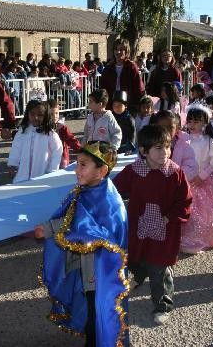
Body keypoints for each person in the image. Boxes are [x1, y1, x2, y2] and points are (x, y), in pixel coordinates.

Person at [36, 141, 130, 346]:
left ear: (102, 170)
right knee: (89, 308)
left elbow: (88, 227)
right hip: (86, 267)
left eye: (83, 165)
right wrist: (49, 227)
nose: (76, 170)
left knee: (98, 313)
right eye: (77, 163)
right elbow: (72, 215)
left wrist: (50, 229)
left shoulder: (108, 200)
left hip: (99, 272)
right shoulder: (86, 189)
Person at [113, 125, 192, 325]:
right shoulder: (134, 171)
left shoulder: (175, 173)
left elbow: (185, 201)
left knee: (160, 267)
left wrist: (168, 218)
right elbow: (113, 191)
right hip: (138, 228)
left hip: (165, 231)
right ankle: (139, 276)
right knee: (135, 257)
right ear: (144, 151)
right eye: (158, 148)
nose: (165, 152)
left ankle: (162, 305)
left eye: (167, 146)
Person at [180, 104, 213, 254]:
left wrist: (202, 176)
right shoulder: (183, 139)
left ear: (205, 123)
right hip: (187, 180)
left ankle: (204, 238)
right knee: (190, 211)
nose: (192, 125)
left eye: (196, 122)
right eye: (190, 121)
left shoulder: (209, 142)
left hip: (205, 182)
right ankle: (189, 239)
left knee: (207, 211)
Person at [7, 99, 62, 183]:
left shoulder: (50, 134)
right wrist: (13, 164)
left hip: (42, 173)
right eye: (32, 114)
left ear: (45, 116)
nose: (36, 117)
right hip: (22, 174)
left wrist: (52, 171)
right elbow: (16, 148)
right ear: (27, 114)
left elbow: (57, 152)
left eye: (40, 115)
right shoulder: (22, 132)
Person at [150, 110, 199, 181]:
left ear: (177, 129)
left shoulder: (184, 146)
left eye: (170, 127)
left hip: (176, 184)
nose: (165, 130)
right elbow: (142, 162)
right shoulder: (150, 144)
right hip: (155, 183)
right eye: (161, 127)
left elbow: (191, 167)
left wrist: (175, 175)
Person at [100, 38, 145, 114]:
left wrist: (138, 104)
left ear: (126, 51)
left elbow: (138, 87)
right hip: (111, 105)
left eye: (121, 49)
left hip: (128, 106)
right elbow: (103, 88)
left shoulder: (131, 66)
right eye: (116, 49)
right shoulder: (108, 68)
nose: (118, 52)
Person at [48, 99, 81, 169]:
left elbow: (71, 139)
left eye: (56, 113)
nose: (54, 116)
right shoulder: (43, 128)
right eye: (51, 114)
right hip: (48, 159)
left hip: (62, 159)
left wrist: (81, 150)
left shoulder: (62, 128)